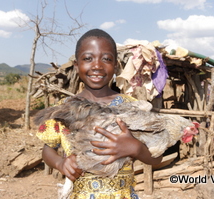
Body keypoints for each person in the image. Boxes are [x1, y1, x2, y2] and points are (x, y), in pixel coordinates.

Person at [36, 28, 163, 199]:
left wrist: (136, 148)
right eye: (88, 58)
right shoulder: (63, 110)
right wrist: (60, 163)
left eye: (106, 59)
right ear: (76, 66)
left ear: (116, 66)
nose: (97, 65)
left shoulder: (134, 107)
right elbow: (47, 150)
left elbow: (157, 158)